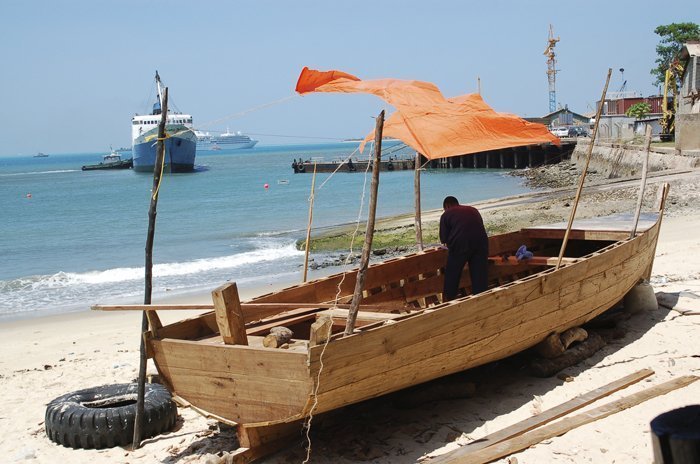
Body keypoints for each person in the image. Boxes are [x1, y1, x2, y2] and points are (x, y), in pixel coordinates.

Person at [439, 196, 489, 300]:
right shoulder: (473, 210)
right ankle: (481, 298)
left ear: (446, 206)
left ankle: (449, 299)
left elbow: (443, 239)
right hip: (481, 242)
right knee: (479, 274)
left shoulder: (446, 214)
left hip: (460, 244)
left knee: (452, 273)